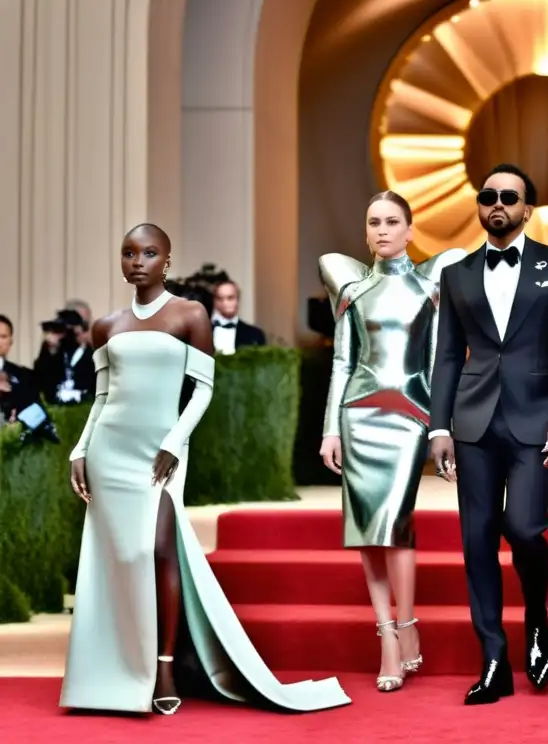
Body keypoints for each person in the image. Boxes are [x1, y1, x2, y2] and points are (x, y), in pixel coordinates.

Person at [60, 223, 349, 715]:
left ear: (166, 261)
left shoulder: (190, 314)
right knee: (120, 558)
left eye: (149, 252)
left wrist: (174, 441)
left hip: (165, 450)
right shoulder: (107, 325)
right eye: (129, 253)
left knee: (158, 547)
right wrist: (79, 450)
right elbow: (102, 397)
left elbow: (204, 389)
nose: (138, 261)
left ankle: (165, 664)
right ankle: (118, 668)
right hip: (110, 447)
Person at [428, 163, 548, 705]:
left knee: (523, 527)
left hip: (535, 418)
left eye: (509, 197)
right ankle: (493, 658)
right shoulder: (458, 274)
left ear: (527, 208)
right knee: (476, 541)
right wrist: (438, 427)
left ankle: (538, 617)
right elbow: (448, 356)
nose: (497, 203)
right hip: (473, 422)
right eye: (488, 195)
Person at [318, 191, 465, 692]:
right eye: (373, 221)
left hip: (409, 418)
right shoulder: (353, 289)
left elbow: (438, 361)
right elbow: (342, 361)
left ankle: (407, 624)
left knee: (395, 526)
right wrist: (330, 429)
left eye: (392, 221)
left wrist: (441, 425)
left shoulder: (429, 286)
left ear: (410, 229)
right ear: (365, 233)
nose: (382, 230)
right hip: (358, 415)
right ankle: (385, 633)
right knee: (367, 531)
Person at [210, 280, 267, 354]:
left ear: (238, 299)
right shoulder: (203, 333)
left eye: (230, 298)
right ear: (215, 302)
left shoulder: (255, 334)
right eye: (220, 298)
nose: (225, 303)